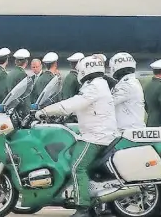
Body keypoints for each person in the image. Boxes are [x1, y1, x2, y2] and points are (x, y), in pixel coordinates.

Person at [35, 55, 117, 217]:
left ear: (86, 70)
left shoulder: (93, 87)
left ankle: (83, 208)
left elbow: (73, 103)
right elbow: (81, 107)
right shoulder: (99, 84)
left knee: (77, 167)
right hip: (100, 133)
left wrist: (46, 111)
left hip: (96, 137)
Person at [109, 52, 145, 131]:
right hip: (133, 128)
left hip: (128, 130)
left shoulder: (125, 85)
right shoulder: (131, 82)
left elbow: (108, 103)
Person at [6, 48, 30, 116]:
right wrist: (27, 111)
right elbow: (25, 95)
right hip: (20, 110)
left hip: (12, 108)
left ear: (15, 62)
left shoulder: (10, 73)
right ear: (26, 62)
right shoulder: (22, 74)